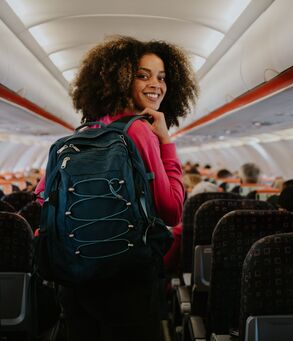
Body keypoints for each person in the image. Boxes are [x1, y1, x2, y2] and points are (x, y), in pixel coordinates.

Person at [35, 36, 198, 341]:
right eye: (143, 75)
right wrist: (165, 141)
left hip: (75, 276)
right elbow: (172, 210)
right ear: (120, 79)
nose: (156, 85)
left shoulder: (86, 131)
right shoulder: (139, 130)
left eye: (161, 77)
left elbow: (43, 194)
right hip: (127, 281)